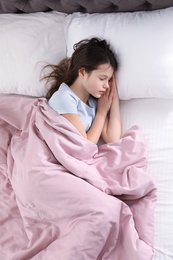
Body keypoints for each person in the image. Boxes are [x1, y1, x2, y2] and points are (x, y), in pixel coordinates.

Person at [43, 37, 122, 144]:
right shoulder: (65, 98)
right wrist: (101, 113)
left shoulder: (93, 102)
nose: (107, 85)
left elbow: (113, 138)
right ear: (82, 72)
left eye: (109, 80)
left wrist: (114, 98)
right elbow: (85, 145)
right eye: (102, 79)